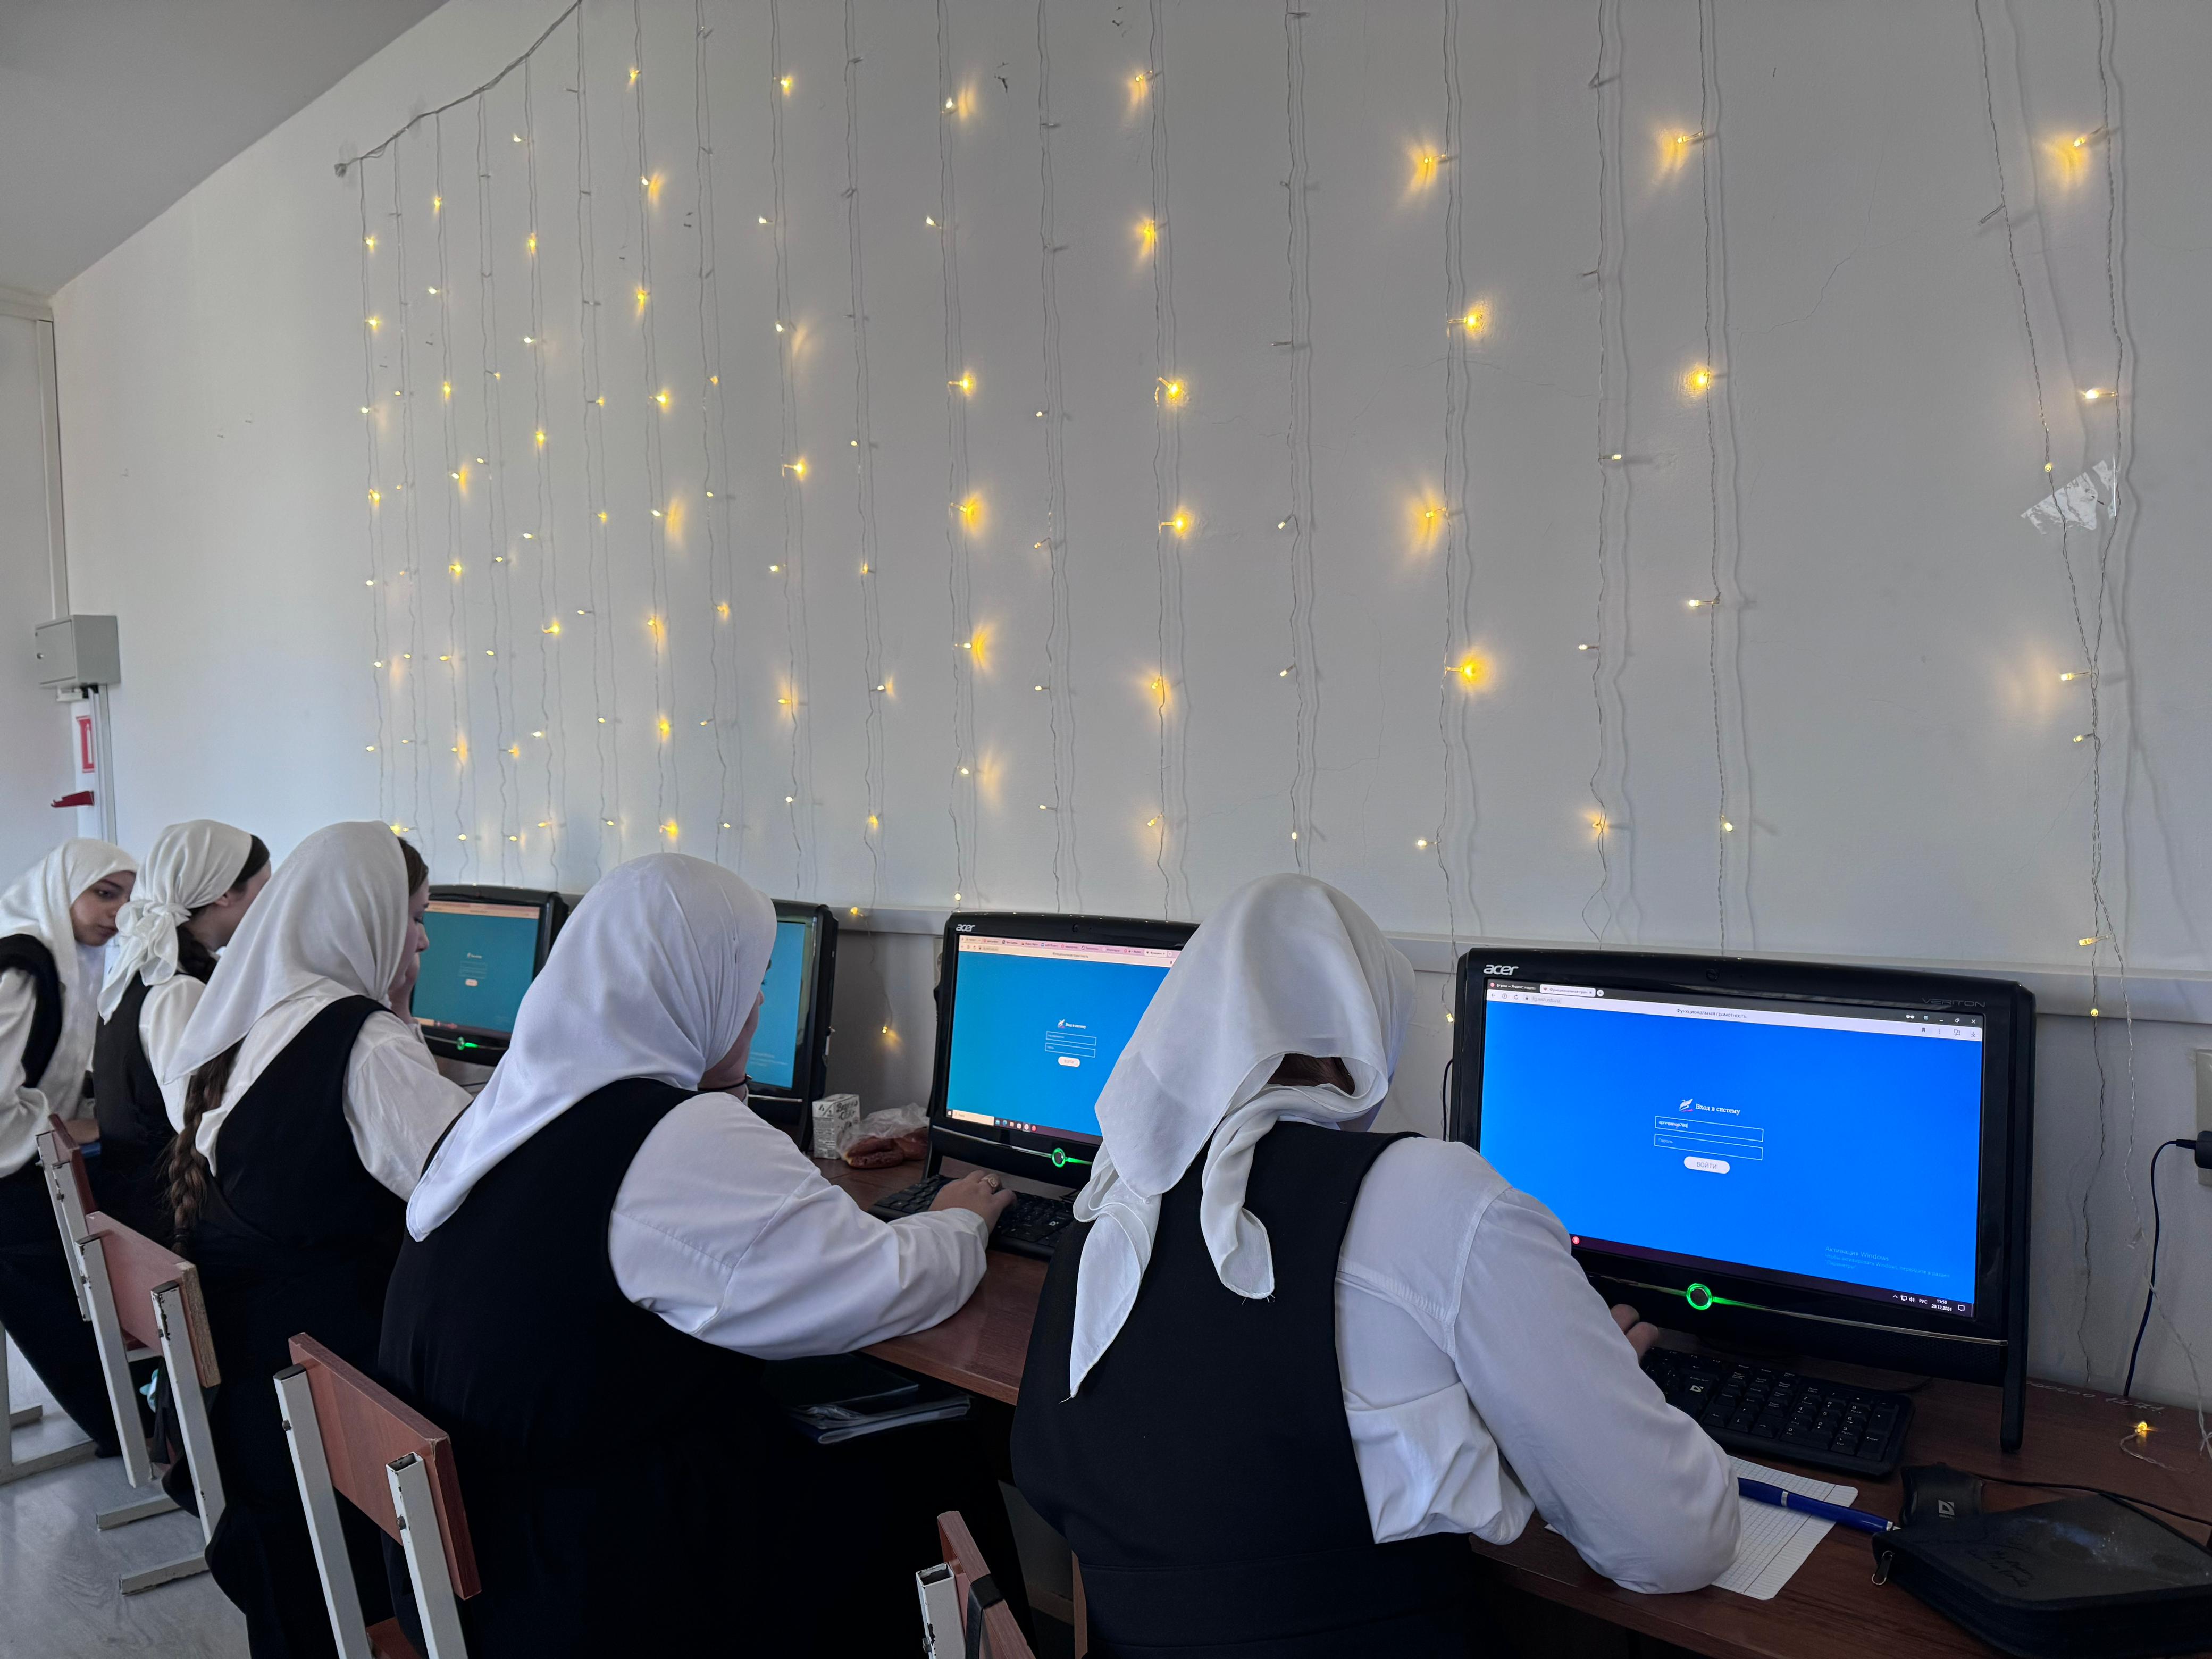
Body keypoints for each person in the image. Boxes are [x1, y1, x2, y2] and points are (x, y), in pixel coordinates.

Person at [1011, 874, 1739, 1657]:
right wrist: (1589, 1383)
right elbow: (1674, 1545)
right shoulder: (1435, 1196)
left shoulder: (1110, 1207)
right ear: (1364, 1032)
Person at [382, 854, 1016, 1656]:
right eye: (750, 981)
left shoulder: (512, 1104)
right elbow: (882, 1283)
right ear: (693, 989)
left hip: (477, 1567)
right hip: (586, 1593)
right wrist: (958, 1222)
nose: (757, 1005)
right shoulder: (669, 1137)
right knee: (940, 1462)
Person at [164, 822, 466, 1659]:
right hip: (345, 1420)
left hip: (269, 1405)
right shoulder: (362, 1043)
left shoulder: (254, 1018)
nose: (423, 939)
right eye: (414, 915)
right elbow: (473, 1192)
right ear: (362, 918)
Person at [0, 837, 138, 1454]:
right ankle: (123, 1426)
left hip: (23, 1158)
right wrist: (65, 1127)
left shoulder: (69, 957)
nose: (117, 913)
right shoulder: (21, 965)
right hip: (9, 1171)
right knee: (40, 1256)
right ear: (61, 891)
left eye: (128, 899)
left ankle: (139, 1413)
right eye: (104, 894)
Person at [93, 820, 270, 1241]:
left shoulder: (141, 976)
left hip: (136, 1206)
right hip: (164, 1221)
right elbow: (199, 1129)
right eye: (266, 889)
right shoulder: (178, 991)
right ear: (224, 893)